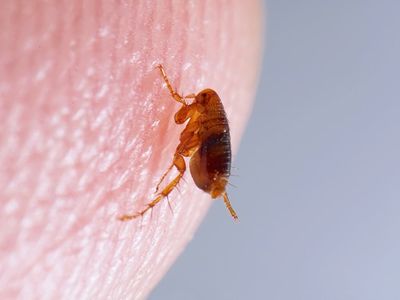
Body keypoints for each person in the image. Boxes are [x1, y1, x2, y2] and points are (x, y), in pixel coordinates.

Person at [0, 1, 263, 298]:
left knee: (179, 161)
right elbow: (182, 120)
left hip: (213, 166)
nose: (194, 101)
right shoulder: (206, 118)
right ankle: (153, 205)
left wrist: (172, 89)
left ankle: (149, 208)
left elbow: (181, 116)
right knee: (179, 161)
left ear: (203, 104)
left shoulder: (207, 120)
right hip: (212, 163)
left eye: (197, 100)